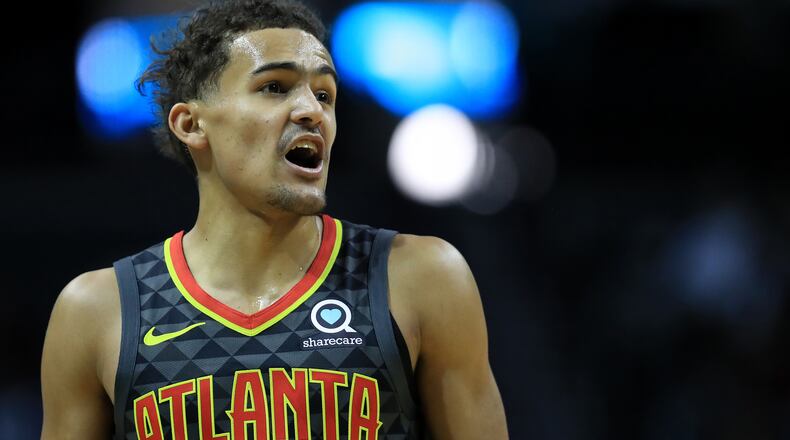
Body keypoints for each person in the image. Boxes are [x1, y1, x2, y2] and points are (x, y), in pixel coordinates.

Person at [41, 0, 508, 438]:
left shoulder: (420, 276)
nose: (312, 111)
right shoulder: (99, 311)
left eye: (325, 94)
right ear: (191, 124)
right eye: (274, 87)